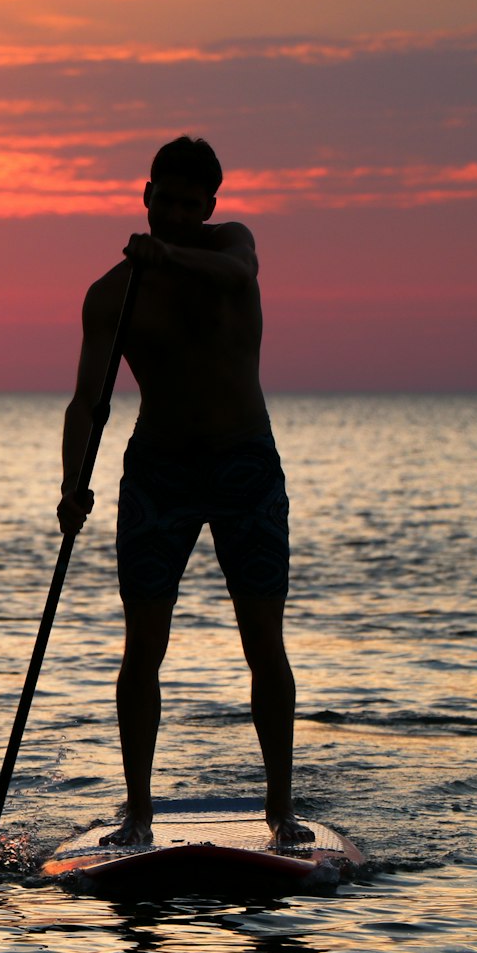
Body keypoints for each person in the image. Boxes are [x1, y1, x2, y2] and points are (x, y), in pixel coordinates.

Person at [56, 136, 315, 847]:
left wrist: (168, 257)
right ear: (144, 196)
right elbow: (87, 404)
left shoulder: (232, 247)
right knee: (143, 645)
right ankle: (137, 812)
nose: (170, 212)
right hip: (159, 474)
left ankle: (280, 812)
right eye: (160, 199)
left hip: (244, 468)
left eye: (185, 203)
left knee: (264, 640)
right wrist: (72, 483)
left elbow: (237, 275)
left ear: (207, 207)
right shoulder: (112, 296)